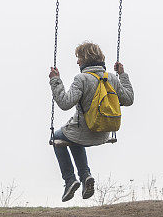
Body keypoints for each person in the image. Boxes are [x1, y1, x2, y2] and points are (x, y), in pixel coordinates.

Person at [49, 42, 134, 202]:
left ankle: (69, 180)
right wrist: (122, 75)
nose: (77, 62)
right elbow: (129, 99)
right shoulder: (112, 78)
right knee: (73, 138)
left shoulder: (81, 79)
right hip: (103, 134)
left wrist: (55, 81)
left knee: (58, 137)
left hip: (83, 133)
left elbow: (64, 103)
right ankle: (85, 176)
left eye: (79, 58)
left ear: (85, 59)